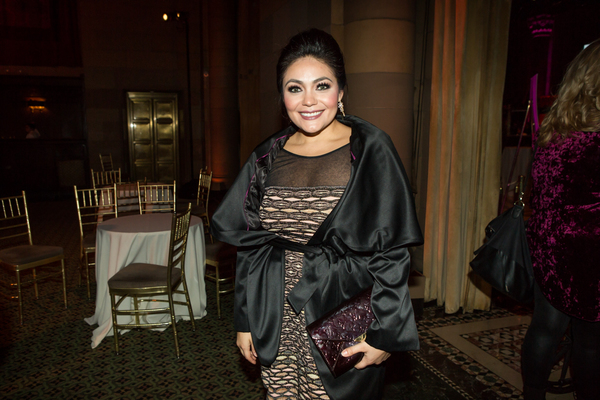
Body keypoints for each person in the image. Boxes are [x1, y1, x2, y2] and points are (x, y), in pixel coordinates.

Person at [211, 29, 423, 400]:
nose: (308, 101)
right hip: (274, 310)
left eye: (321, 85)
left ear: (341, 92)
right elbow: (252, 246)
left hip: (343, 309)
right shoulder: (266, 157)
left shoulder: (371, 149)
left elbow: (392, 250)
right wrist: (245, 320)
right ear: (282, 96)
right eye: (295, 88)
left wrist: (385, 330)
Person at [522, 38, 600, 400]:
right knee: (589, 341)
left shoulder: (553, 131)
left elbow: (541, 191)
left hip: (549, 244)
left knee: (545, 328)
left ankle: (533, 395)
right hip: (590, 251)